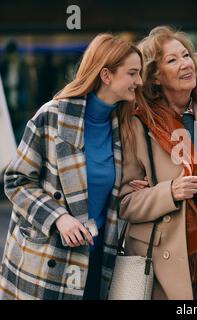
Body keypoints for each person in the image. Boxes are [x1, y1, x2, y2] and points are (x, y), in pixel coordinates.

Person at [0, 34, 143, 300]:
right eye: (133, 73)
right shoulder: (52, 116)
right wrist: (59, 218)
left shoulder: (123, 127)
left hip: (97, 258)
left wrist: (134, 186)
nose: (140, 81)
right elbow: (16, 180)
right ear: (106, 75)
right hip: (46, 261)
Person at [118, 26, 197, 300]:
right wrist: (169, 191)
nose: (186, 64)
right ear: (156, 76)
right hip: (162, 265)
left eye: (186, 55)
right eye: (172, 60)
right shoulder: (138, 123)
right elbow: (124, 202)